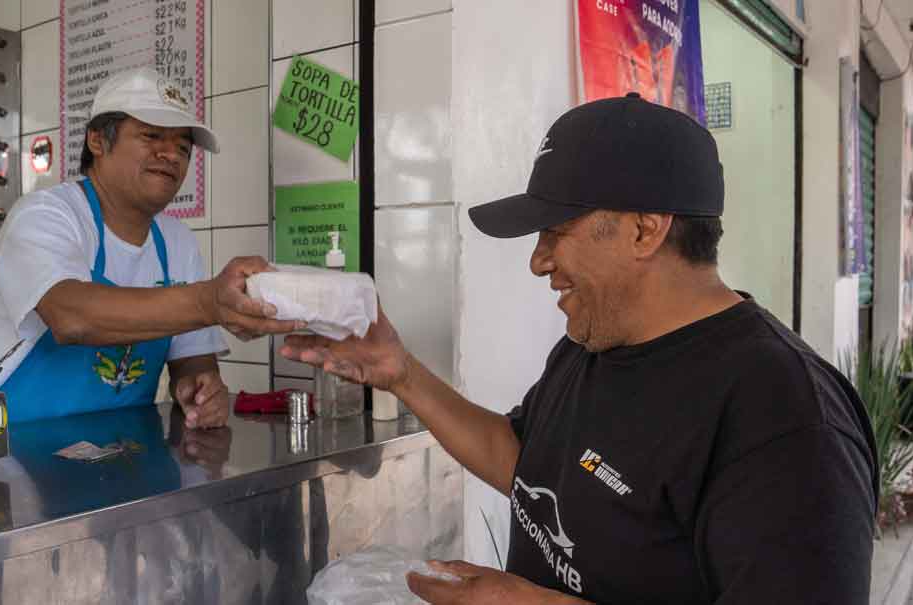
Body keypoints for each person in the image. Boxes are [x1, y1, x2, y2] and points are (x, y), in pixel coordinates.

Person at [282, 94, 878, 604]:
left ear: (645, 229)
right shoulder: (592, 343)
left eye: (556, 232)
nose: (539, 262)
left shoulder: (788, 422)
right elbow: (523, 462)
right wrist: (403, 374)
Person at [0, 68, 303, 428]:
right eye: (151, 136)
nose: (171, 155)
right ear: (97, 140)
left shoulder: (177, 242)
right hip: (6, 442)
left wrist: (201, 388)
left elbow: (192, 358)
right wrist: (209, 301)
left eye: (183, 148)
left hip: (114, 451)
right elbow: (71, 317)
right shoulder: (44, 215)